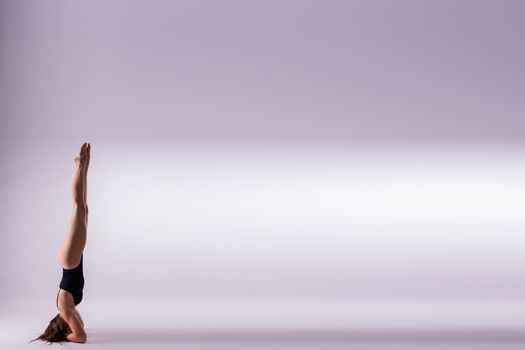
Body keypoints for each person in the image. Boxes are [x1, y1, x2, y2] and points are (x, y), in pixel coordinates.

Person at [32, 143, 91, 343]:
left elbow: (80, 337)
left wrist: (65, 336)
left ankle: (79, 166)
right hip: (71, 259)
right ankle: (84, 167)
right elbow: (81, 329)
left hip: (69, 260)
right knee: (84, 208)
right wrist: (69, 330)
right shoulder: (68, 310)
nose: (72, 323)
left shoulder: (65, 309)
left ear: (62, 325)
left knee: (77, 208)